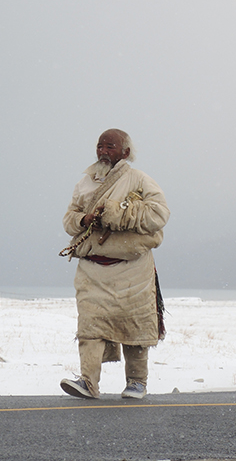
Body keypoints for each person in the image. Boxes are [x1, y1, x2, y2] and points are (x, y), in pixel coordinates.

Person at [59, 129, 170, 399]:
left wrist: (116, 213)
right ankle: (88, 382)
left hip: (132, 270)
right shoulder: (85, 182)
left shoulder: (140, 180)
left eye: (110, 146)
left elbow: (159, 213)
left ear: (125, 153)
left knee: (135, 325)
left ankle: (137, 382)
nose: (103, 151)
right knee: (90, 325)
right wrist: (84, 220)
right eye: (100, 146)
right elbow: (68, 218)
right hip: (91, 268)